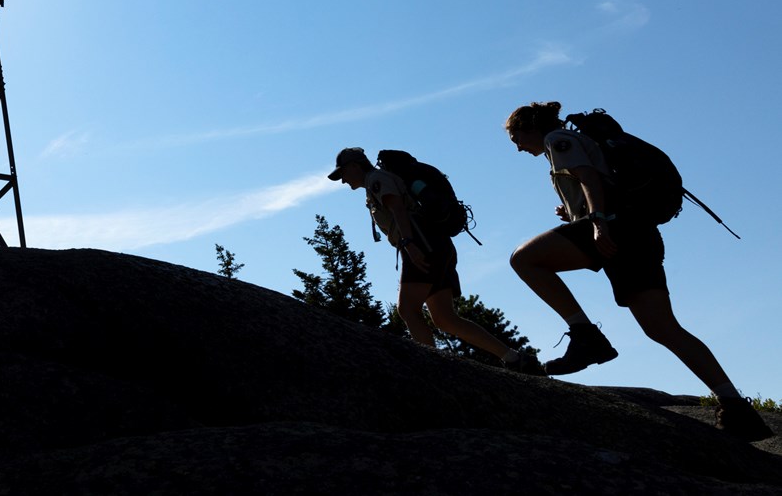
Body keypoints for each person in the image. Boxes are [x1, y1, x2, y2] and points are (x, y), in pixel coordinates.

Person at [505, 100, 772, 441]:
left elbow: (587, 177)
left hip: (613, 229)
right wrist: (577, 213)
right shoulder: (574, 142)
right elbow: (594, 180)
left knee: (523, 259)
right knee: (664, 329)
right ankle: (736, 407)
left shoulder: (558, 140)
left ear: (530, 128)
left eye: (516, 137)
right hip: (640, 235)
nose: (516, 146)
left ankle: (587, 338)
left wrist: (597, 220)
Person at [328, 147, 536, 373]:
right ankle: (514, 358)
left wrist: (409, 244)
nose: (343, 181)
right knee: (445, 318)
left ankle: (432, 367)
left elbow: (397, 208)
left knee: (408, 309)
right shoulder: (379, 179)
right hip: (438, 245)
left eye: (342, 174)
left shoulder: (376, 179)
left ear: (355, 166)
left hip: (422, 244)